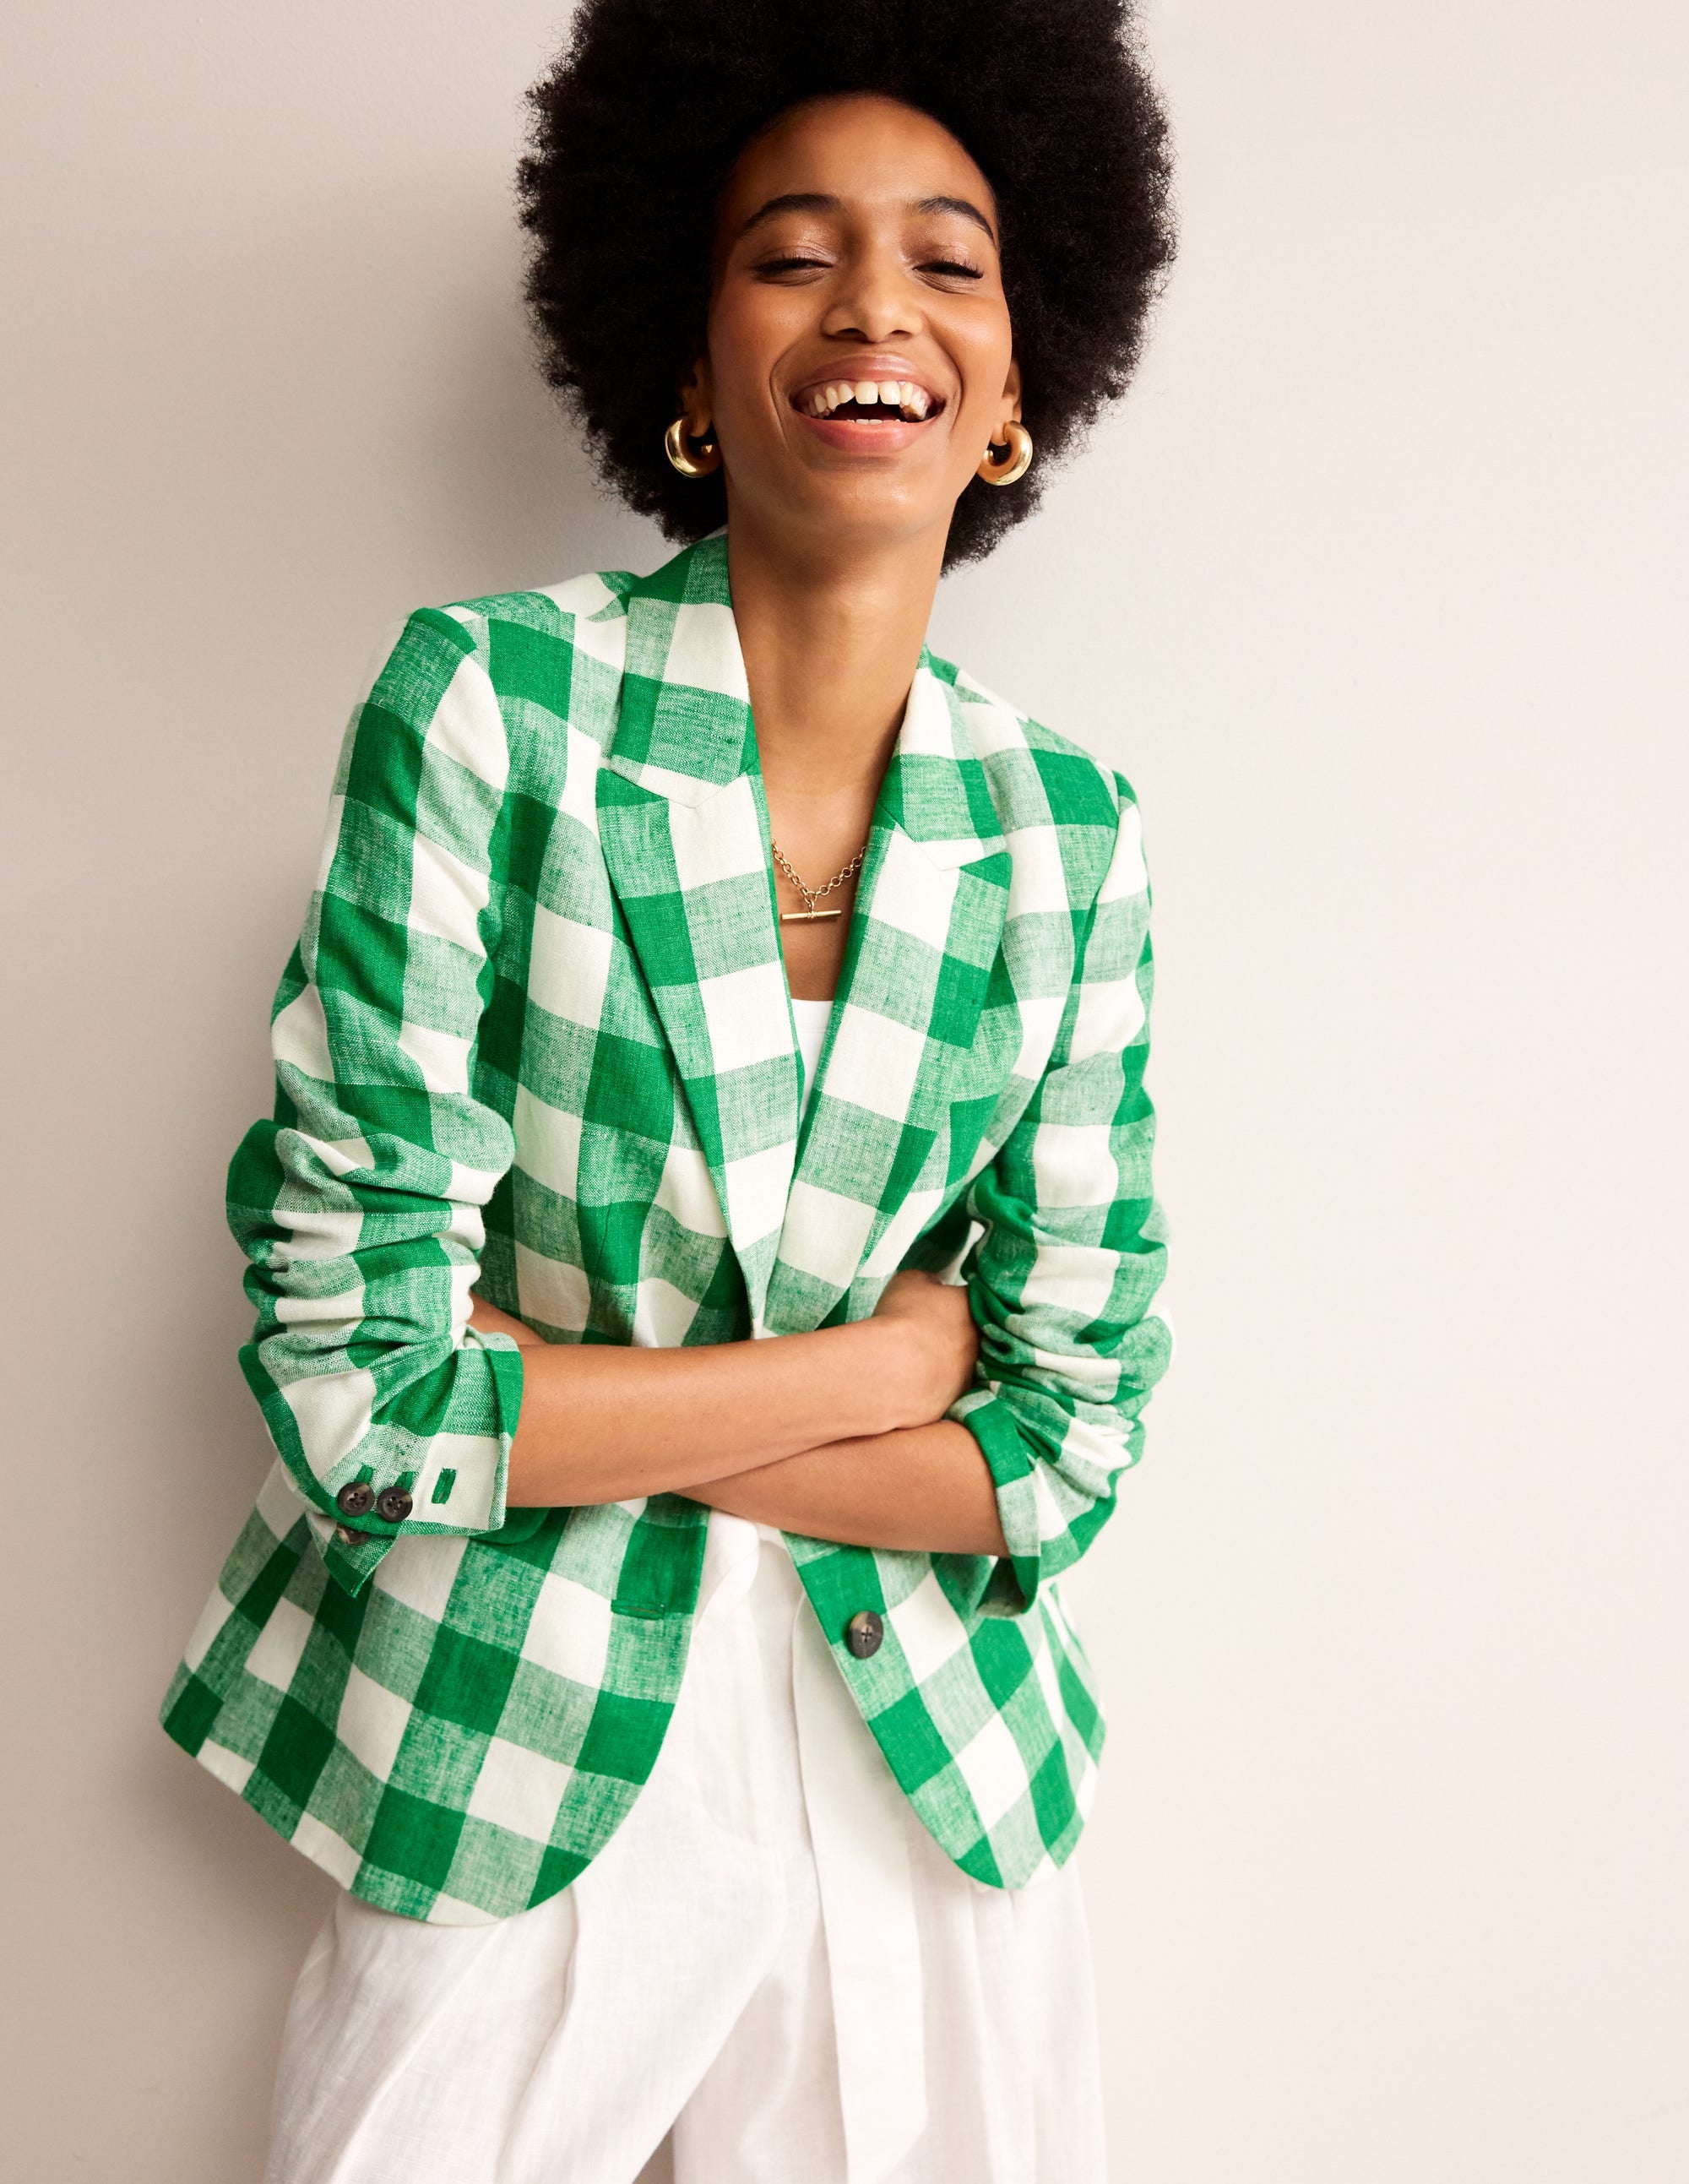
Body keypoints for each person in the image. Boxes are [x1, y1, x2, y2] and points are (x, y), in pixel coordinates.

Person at [158, 1, 1176, 2176]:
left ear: (1011, 390)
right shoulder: (488, 710)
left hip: (933, 1775)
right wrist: (888, 1364)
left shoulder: (1068, 830)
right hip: (504, 1747)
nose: (874, 302)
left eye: (948, 257)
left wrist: (567, 1404)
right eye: (789, 251)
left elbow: (1067, 1454)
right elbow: (362, 1396)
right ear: (693, 365)